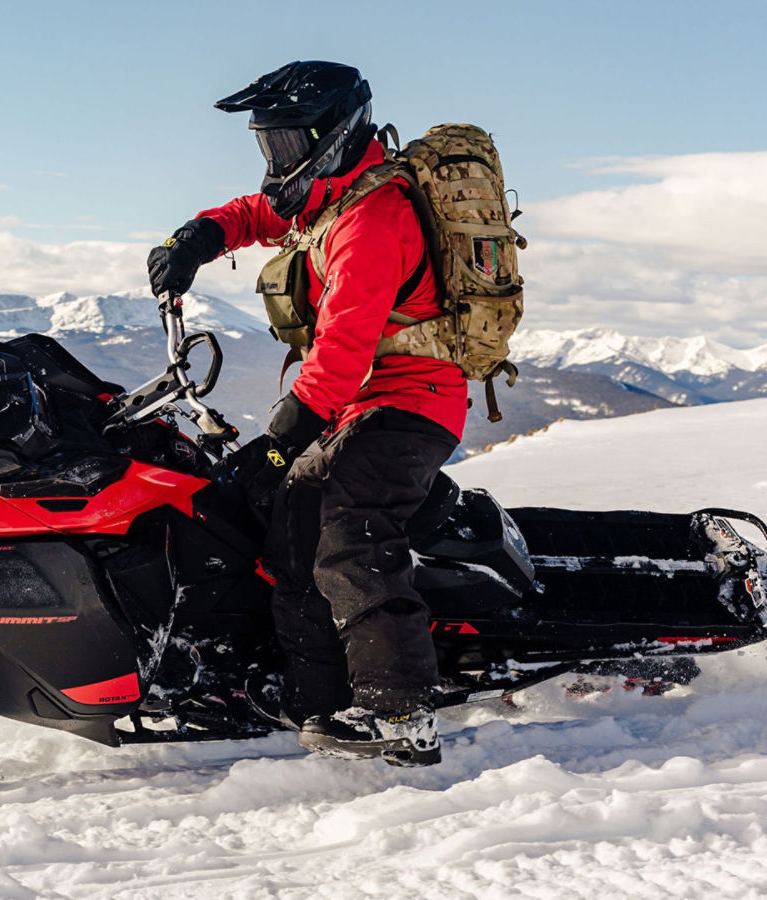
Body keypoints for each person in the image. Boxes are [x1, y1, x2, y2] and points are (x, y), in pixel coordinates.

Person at [146, 61, 465, 766]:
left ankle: (400, 713)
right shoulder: (334, 194)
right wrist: (200, 236)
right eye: (269, 146)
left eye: (288, 145)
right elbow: (263, 213)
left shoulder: (374, 220)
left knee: (348, 522)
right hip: (356, 407)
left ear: (338, 135)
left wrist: (278, 440)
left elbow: (345, 354)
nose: (276, 162)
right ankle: (314, 700)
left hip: (409, 404)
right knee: (283, 523)